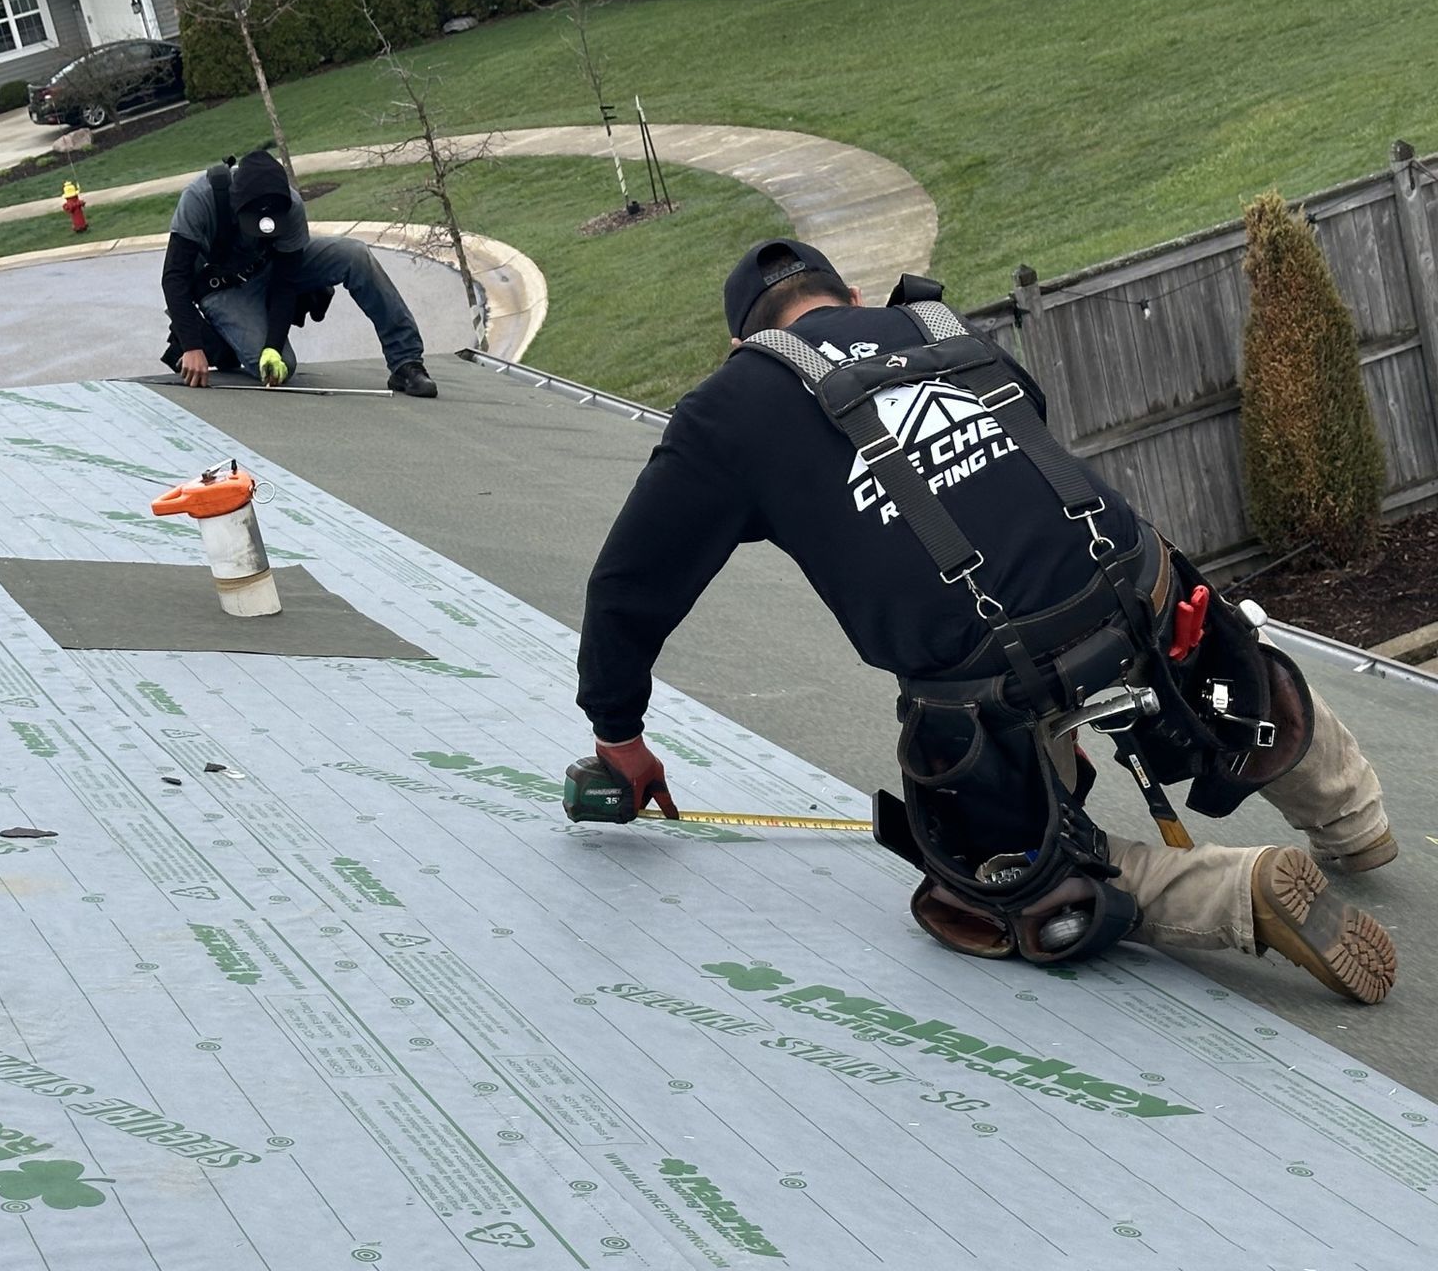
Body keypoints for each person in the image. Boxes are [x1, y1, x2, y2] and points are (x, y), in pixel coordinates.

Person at [574, 237, 1399, 1002]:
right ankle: (1353, 823)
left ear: (739, 346)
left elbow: (629, 582)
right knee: (1231, 674)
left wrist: (618, 733)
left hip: (995, 670)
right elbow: (1022, 437)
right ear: (850, 297)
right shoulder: (935, 324)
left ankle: (1234, 891)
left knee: (991, 876)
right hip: (1134, 579)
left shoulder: (729, 408)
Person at [160, 148, 438, 398]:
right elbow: (173, 277)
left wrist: (273, 345)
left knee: (355, 255)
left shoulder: (290, 205)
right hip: (222, 287)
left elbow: (286, 282)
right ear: (237, 204)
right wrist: (192, 345)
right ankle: (216, 340)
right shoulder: (200, 199)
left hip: (270, 268)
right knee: (283, 368)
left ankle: (405, 362)